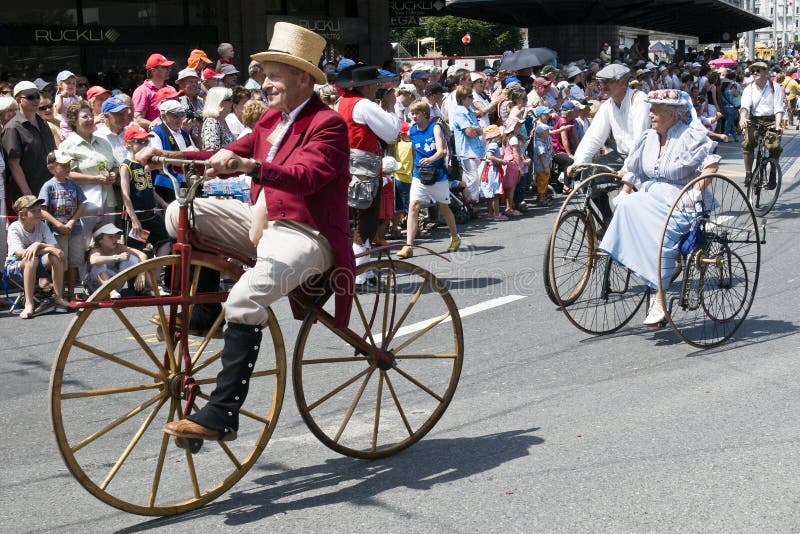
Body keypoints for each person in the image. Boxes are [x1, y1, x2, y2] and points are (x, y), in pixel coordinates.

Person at [139, 22, 353, 443]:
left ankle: (222, 414)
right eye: (263, 73)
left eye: (274, 74)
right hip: (264, 221)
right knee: (181, 215)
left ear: (302, 78)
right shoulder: (272, 119)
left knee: (245, 298)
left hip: (307, 234)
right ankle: (202, 315)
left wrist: (252, 167)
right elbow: (225, 153)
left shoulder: (327, 124)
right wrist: (165, 153)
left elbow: (306, 177)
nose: (264, 82)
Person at [598, 90, 720, 326]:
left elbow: (710, 165)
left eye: (656, 110)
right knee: (627, 207)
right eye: (651, 109)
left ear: (672, 113)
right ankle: (636, 261)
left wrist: (697, 190)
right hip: (650, 194)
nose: (651, 114)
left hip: (681, 199)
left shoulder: (691, 135)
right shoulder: (648, 137)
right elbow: (634, 169)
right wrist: (624, 192)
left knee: (663, 234)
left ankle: (660, 296)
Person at [335, 64, 400, 285]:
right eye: (375, 83)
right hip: (364, 169)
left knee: (358, 222)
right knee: (364, 223)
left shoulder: (342, 102)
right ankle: (360, 275)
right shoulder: (363, 105)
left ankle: (365, 271)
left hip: (348, 167)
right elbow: (391, 132)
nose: (377, 87)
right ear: (367, 86)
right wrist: (391, 107)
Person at [397, 100, 462, 258]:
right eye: (412, 113)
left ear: (425, 113)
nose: (414, 116)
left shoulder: (435, 127)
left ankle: (455, 237)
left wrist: (431, 159)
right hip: (419, 174)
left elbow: (442, 150)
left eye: (417, 113)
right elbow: (413, 150)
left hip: (437, 174)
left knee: (444, 207)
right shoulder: (412, 131)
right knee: (413, 206)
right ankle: (409, 246)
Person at [568, 63, 650, 176]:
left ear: (621, 82)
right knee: (593, 175)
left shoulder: (639, 100)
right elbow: (594, 135)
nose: (602, 86)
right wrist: (578, 162)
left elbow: (640, 140)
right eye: (601, 82)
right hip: (621, 154)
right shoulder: (608, 105)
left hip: (643, 156)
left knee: (633, 189)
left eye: (607, 82)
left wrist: (627, 169)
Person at [59, 101, 118, 245]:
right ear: (74, 121)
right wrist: (96, 179)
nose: (91, 119)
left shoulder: (103, 142)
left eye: (91, 116)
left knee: (108, 242)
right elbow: (67, 174)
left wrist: (114, 174)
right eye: (85, 117)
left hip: (108, 200)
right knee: (85, 243)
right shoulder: (68, 145)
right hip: (84, 204)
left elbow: (115, 165)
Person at [5, 195, 70, 318]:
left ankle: (58, 297)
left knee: (55, 256)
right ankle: (29, 304)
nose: (38, 213)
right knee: (31, 259)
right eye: (33, 211)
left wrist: (38, 244)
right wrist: (46, 248)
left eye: (39, 210)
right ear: (22, 214)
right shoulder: (15, 227)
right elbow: (20, 253)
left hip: (37, 262)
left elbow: (56, 248)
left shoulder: (42, 225)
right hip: (15, 266)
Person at [38, 150, 87, 299]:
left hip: (74, 229)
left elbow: (82, 206)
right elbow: (42, 210)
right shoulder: (48, 186)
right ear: (52, 167)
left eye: (68, 164)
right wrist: (58, 225)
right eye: (63, 165)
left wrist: (72, 222)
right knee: (60, 262)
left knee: (73, 263)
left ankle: (71, 294)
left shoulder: (74, 185)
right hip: (57, 231)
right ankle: (60, 294)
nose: (67, 167)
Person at [2, 81, 57, 201]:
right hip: (31, 193)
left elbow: (53, 153)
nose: (36, 100)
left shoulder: (43, 122)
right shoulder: (12, 127)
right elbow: (13, 163)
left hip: (52, 188)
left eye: (37, 96)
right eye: (30, 97)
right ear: (18, 100)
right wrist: (28, 194)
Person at [739, 61, 784, 189]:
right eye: (753, 71)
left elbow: (778, 108)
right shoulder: (749, 88)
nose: (755, 73)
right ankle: (748, 174)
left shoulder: (775, 87)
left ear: (766, 72)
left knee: (774, 146)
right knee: (748, 143)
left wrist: (778, 124)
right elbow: (745, 107)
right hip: (754, 119)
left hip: (771, 119)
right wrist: (742, 118)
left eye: (758, 70)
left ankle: (773, 174)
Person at [149, 99, 196, 203]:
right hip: (167, 184)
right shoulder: (156, 134)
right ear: (164, 116)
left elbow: (194, 151)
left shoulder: (183, 132)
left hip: (186, 181)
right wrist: (186, 154)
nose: (179, 119)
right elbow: (158, 161)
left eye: (181, 114)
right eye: (175, 115)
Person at [84, 223, 148, 297]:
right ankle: (111, 291)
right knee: (99, 264)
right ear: (100, 240)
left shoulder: (118, 247)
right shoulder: (96, 250)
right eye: (110, 237)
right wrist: (117, 257)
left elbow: (143, 255)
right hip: (95, 289)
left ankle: (152, 288)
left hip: (116, 286)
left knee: (134, 258)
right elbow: (94, 260)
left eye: (116, 236)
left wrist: (141, 274)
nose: (115, 239)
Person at [451, 85, 485, 203]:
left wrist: (476, 129)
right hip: (466, 151)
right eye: (470, 96)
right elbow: (469, 132)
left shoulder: (470, 112)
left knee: (470, 178)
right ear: (462, 98)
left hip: (476, 149)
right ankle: (471, 202)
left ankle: (468, 202)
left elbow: (480, 130)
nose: (472, 99)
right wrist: (475, 129)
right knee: (473, 178)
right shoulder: (459, 113)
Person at [132, 53, 175, 130]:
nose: (169, 70)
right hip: (153, 138)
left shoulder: (171, 89)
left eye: (169, 67)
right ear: (153, 71)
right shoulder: (142, 91)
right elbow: (138, 120)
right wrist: (162, 129)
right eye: (165, 67)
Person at [476, 124, 507, 220]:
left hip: (489, 170)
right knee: (495, 193)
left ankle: (490, 213)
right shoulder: (493, 145)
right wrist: (501, 161)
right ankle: (496, 213)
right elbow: (490, 156)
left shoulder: (488, 145)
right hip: (493, 171)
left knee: (489, 194)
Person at [532, 105, 555, 206]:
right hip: (542, 167)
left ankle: (542, 197)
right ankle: (541, 199)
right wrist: (546, 166)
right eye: (546, 131)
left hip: (546, 163)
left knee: (544, 182)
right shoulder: (539, 143)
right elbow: (541, 156)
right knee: (542, 182)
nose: (548, 132)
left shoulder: (544, 138)